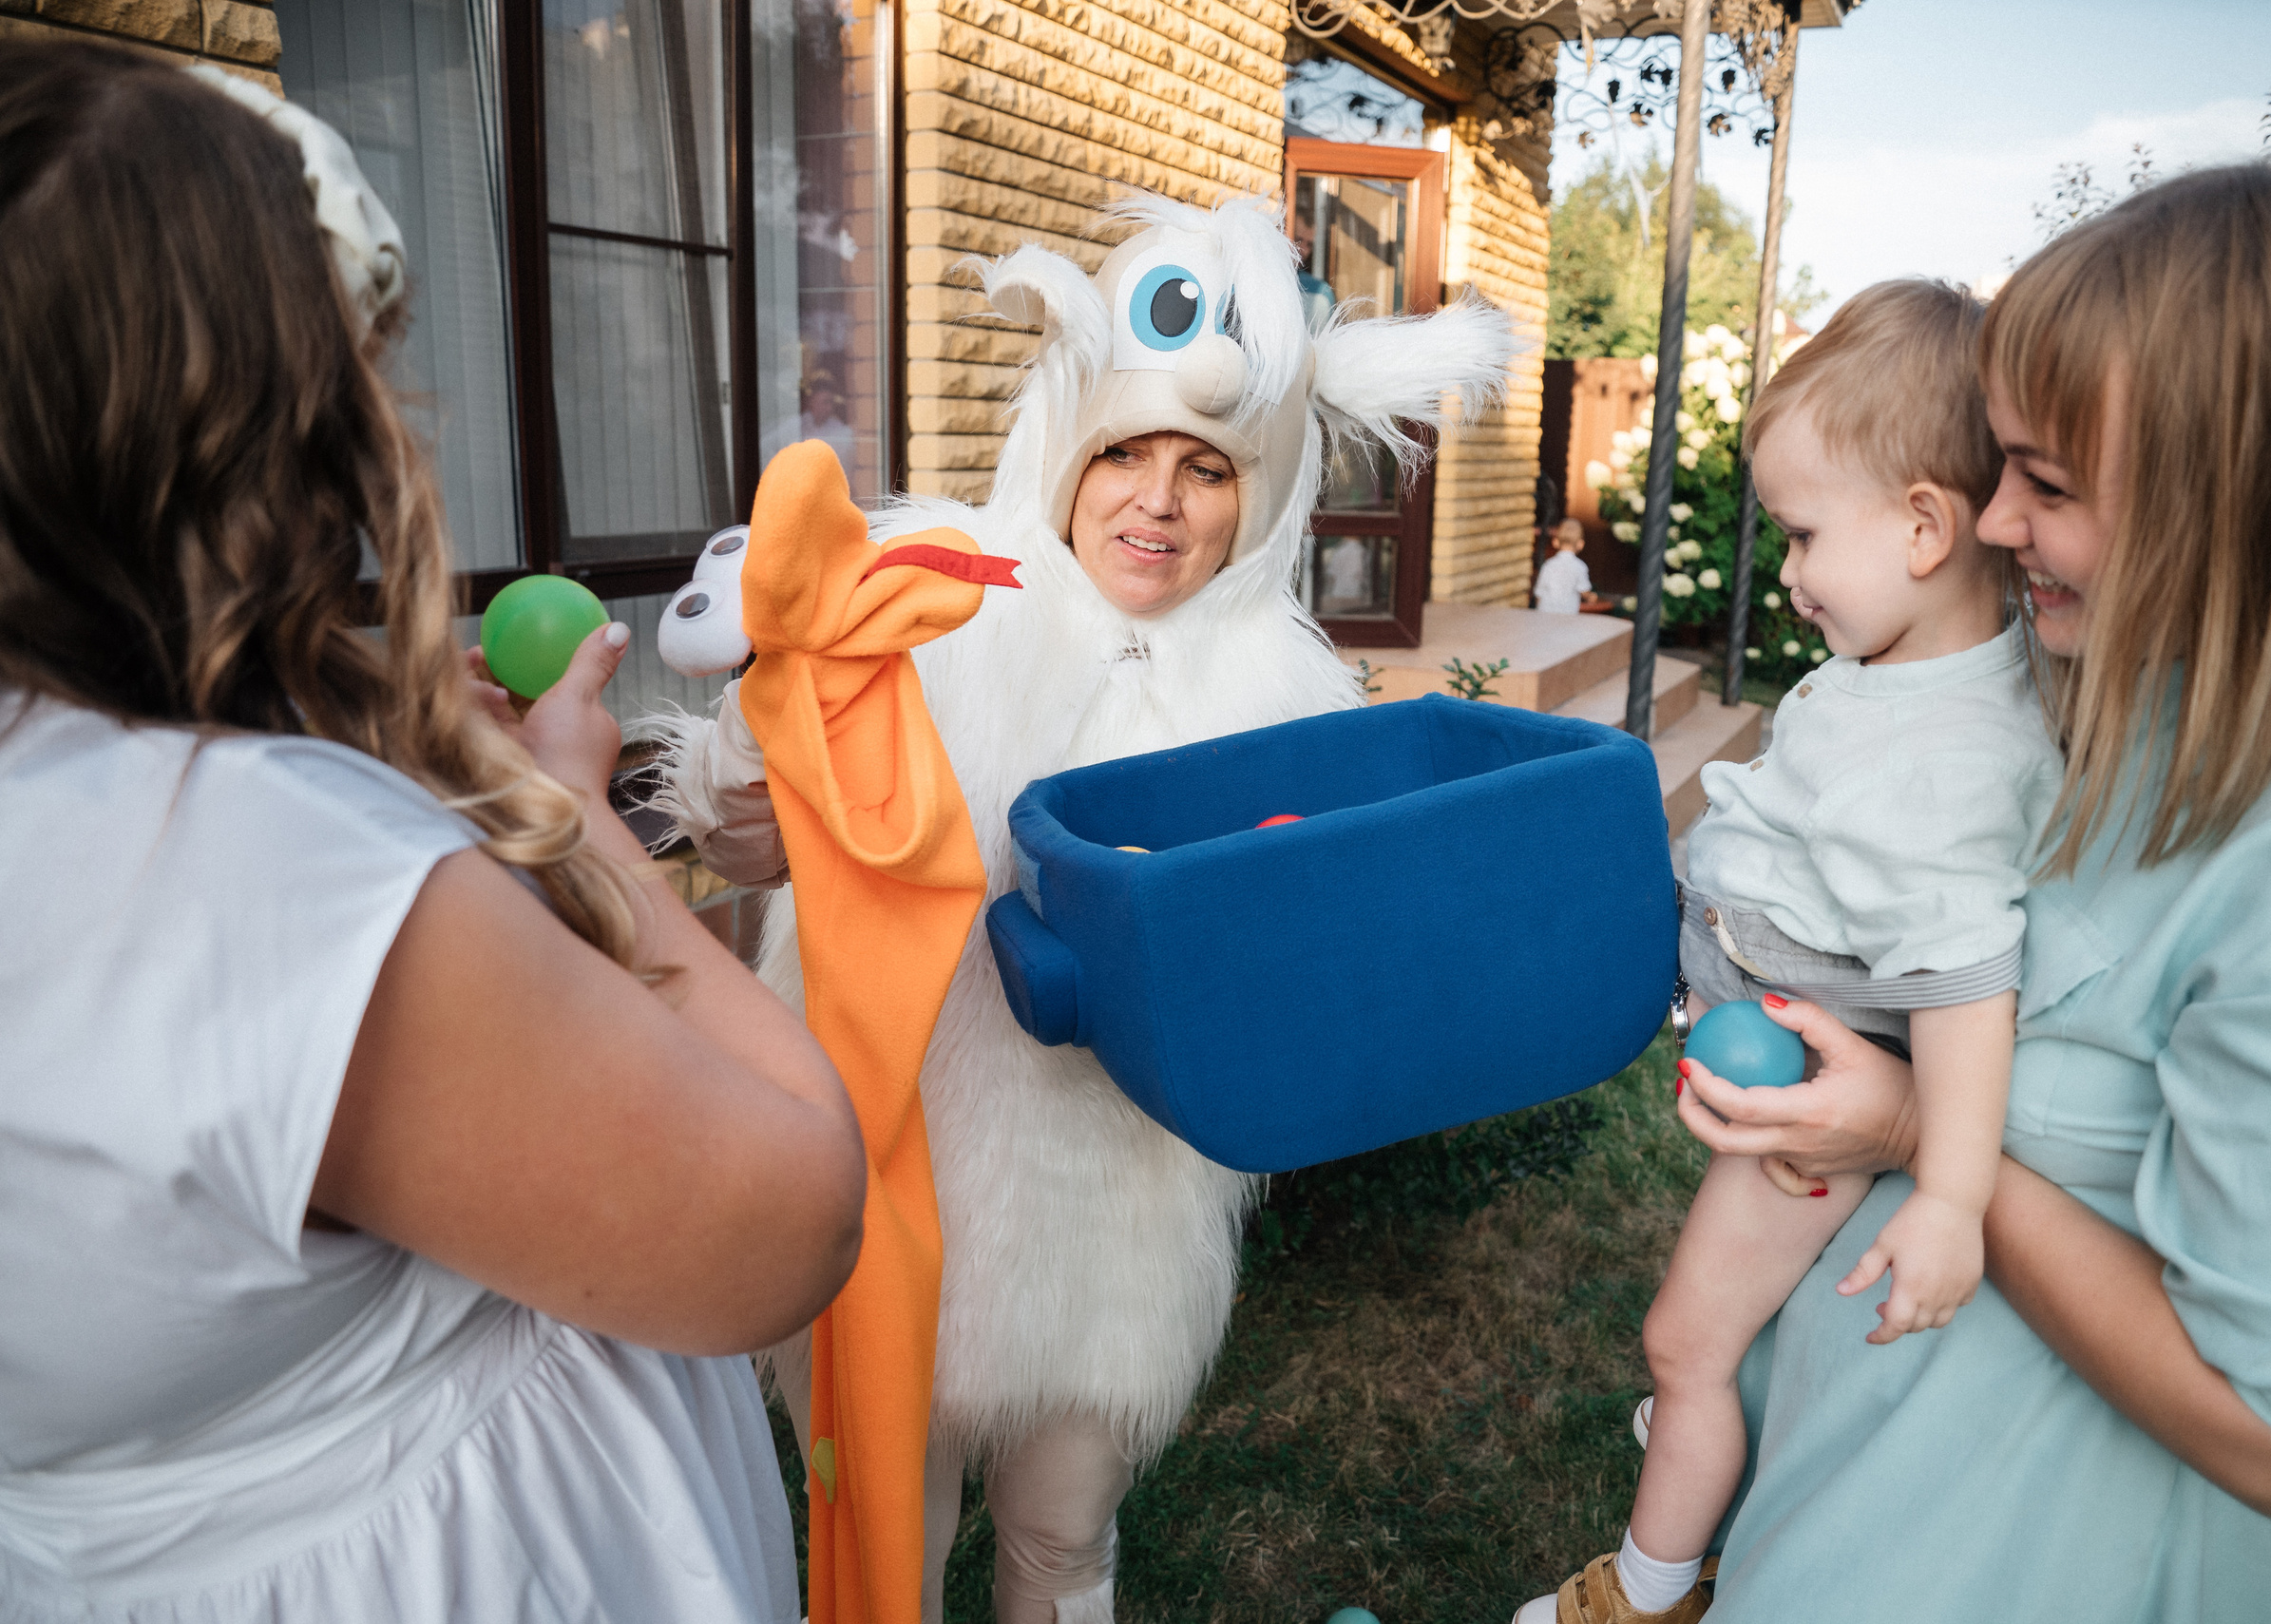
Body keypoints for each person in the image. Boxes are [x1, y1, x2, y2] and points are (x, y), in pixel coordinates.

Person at [0, 45, 866, 1621]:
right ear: (263, 431)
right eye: (359, 373)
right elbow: (792, 1207)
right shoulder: (259, 875)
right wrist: (564, 812)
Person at [657, 195, 1519, 1624]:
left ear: (1266, 486)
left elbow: (1301, 959)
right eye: (1123, 450)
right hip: (906, 1166)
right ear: (1067, 446)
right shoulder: (935, 601)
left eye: (1207, 466)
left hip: (1118, 1206)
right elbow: (783, 839)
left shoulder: (1286, 691)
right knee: (885, 1532)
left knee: (1062, 1542)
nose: (1158, 501)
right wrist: (757, 805)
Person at [1662, 164, 2271, 1623]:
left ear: (2242, 498)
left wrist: (1905, 1130)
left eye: (2050, 484)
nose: (1994, 521)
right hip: (1863, 1481)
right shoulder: (2112, 701)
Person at [1517, 280, 2062, 1624]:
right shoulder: (1903, 673)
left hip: (1813, 1114)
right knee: (1717, 1351)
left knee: (1685, 1345)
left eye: (1808, 534)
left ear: (1927, 526)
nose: (1792, 571)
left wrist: (1948, 1199)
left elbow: (1968, 987)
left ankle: (1646, 1591)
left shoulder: (1941, 763)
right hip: (1754, 1016)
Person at [1534, 518, 1613, 615]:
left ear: (1555, 542)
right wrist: (1591, 597)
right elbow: (1584, 591)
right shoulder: (1579, 567)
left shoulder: (1548, 565)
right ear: (1580, 544)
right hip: (1567, 615)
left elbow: (1539, 593)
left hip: (1545, 613)